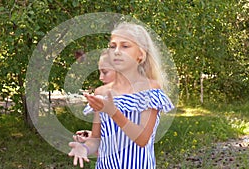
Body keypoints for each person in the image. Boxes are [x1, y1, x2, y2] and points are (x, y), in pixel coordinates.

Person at [68, 22, 174, 169]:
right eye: (113, 46)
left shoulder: (149, 89)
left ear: (141, 55)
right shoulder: (101, 93)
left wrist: (113, 112)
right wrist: (84, 148)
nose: (117, 51)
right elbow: (97, 140)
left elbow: (142, 139)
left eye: (125, 46)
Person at [74, 49, 116, 143]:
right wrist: (91, 137)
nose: (100, 77)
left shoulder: (141, 98)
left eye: (105, 72)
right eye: (100, 72)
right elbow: (96, 137)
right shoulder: (100, 96)